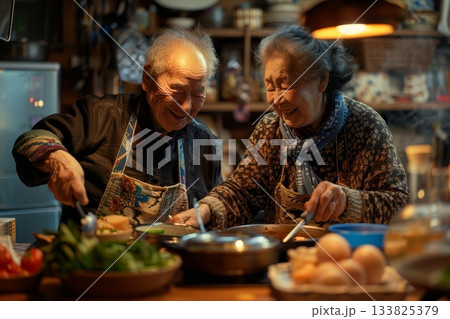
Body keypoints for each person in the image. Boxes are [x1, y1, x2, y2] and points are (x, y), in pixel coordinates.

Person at [170, 25, 409, 230]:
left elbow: (398, 206)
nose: (277, 98)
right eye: (270, 86)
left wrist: (348, 202)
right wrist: (207, 209)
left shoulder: (365, 126)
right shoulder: (270, 128)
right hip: (283, 260)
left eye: (286, 84)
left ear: (322, 80)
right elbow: (243, 191)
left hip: (347, 262)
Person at [13, 28, 222, 226]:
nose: (186, 106)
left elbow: (217, 212)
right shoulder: (100, 116)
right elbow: (31, 139)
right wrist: (57, 159)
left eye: (198, 93)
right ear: (148, 80)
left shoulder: (205, 143)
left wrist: (208, 213)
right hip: (93, 261)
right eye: (177, 90)